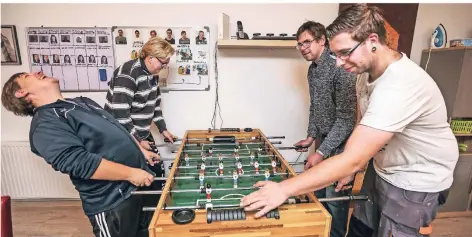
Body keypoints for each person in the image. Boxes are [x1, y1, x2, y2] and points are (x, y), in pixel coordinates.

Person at [240, 4, 459, 237]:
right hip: (384, 167)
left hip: (416, 179)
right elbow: (361, 125)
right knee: (359, 229)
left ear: (371, 41)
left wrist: (284, 189)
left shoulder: (400, 85)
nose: (338, 62)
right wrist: (355, 166)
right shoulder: (364, 75)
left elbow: (351, 155)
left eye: (344, 52)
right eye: (335, 55)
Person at [1, 71, 161, 237]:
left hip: (138, 188)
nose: (39, 72)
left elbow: (115, 126)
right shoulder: (45, 124)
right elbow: (80, 163)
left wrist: (140, 150)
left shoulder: (81, 102)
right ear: (21, 93)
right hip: (113, 202)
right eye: (28, 76)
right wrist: (131, 174)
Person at [293, 21, 357, 237]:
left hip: (343, 147)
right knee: (320, 198)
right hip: (323, 142)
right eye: (299, 44)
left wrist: (321, 153)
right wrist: (311, 137)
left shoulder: (341, 68)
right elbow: (316, 105)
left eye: (307, 42)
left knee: (335, 203)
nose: (303, 48)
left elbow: (347, 120)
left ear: (322, 41)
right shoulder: (312, 70)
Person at [104, 36, 175, 211]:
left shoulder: (152, 75)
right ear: (149, 57)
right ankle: (141, 219)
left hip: (139, 134)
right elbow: (120, 115)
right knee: (138, 182)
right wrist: (137, 142)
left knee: (156, 174)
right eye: (163, 63)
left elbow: (155, 104)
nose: (164, 67)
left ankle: (152, 216)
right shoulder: (128, 73)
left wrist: (163, 129)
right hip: (122, 137)